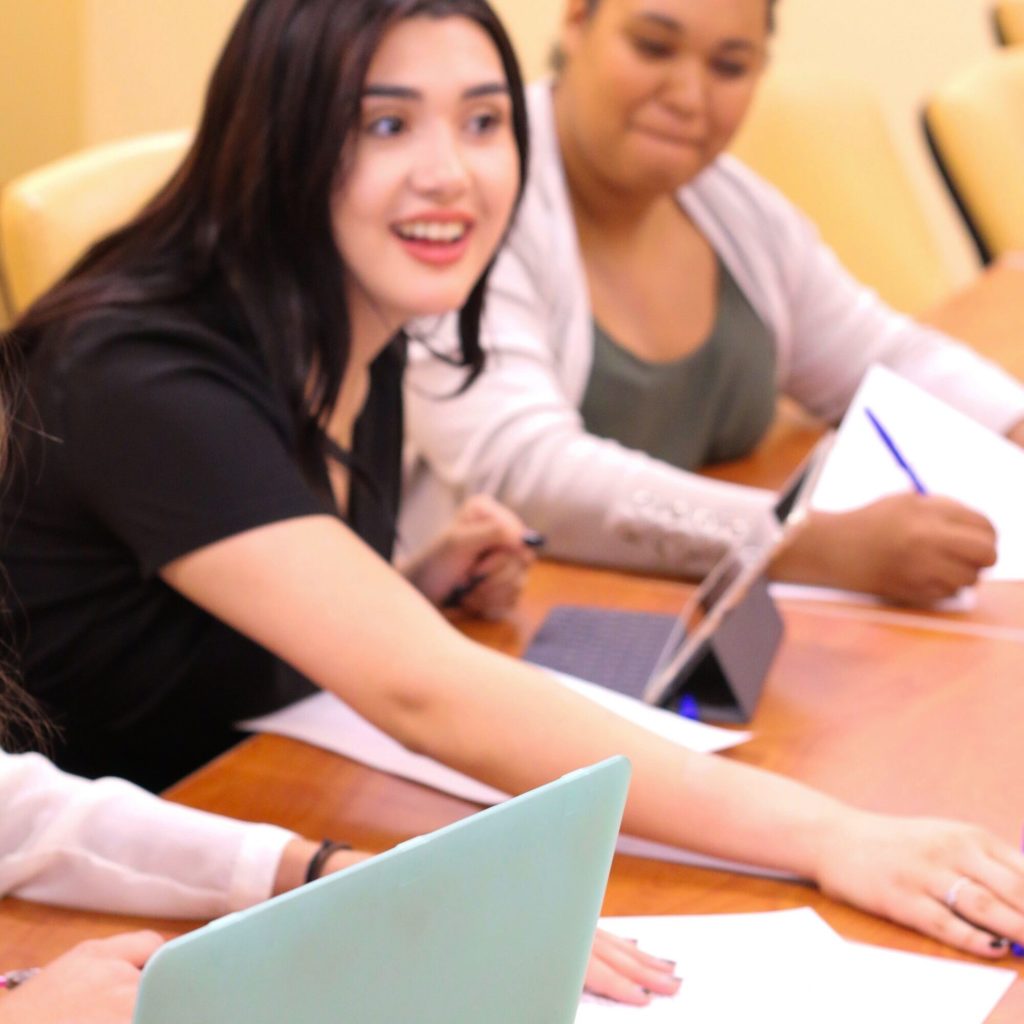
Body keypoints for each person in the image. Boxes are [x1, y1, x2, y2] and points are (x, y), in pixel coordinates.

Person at [3, 0, 1024, 979]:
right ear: (279, 134)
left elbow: (216, 580)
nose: (449, 173)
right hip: (73, 903)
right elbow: (421, 691)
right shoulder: (141, 370)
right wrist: (833, 835)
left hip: (239, 816)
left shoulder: (359, 314)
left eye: (484, 121)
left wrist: (393, 580)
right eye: (386, 123)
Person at [400, 0, 1024, 605]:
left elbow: (888, 356)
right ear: (576, 21)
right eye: (652, 47)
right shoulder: (464, 206)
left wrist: (1013, 426)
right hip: (493, 641)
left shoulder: (736, 210)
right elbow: (526, 475)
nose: (689, 97)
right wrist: (800, 543)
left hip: (681, 618)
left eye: (729, 66)